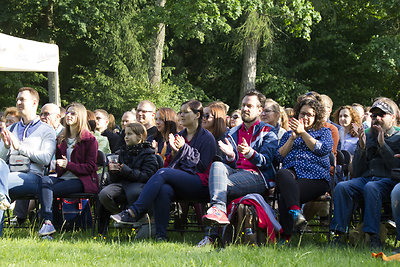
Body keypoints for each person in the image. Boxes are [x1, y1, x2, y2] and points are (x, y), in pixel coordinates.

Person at [110, 100, 217, 241]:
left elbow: (202, 167)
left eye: (186, 112)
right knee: (164, 189)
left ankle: (134, 211)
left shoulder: (207, 138)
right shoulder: (181, 135)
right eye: (180, 112)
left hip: (200, 183)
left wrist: (184, 149)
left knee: (162, 173)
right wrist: (173, 153)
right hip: (181, 181)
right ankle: (160, 236)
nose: (181, 115)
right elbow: (171, 164)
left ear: (197, 115)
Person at [201, 90, 278, 236]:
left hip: (258, 176)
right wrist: (230, 156)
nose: (245, 109)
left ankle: (212, 235)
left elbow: (266, 161)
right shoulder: (233, 132)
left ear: (259, 110)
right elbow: (229, 164)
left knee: (218, 185)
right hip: (236, 174)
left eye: (249, 105)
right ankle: (219, 211)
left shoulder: (268, 131)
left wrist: (250, 153)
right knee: (217, 166)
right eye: (243, 105)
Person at [330, 99, 400, 249]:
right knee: (343, 187)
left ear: (393, 117)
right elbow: (357, 171)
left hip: (388, 181)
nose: (377, 118)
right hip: (366, 179)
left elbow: (396, 166)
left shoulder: (398, 137)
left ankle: (372, 236)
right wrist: (361, 147)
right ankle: (338, 233)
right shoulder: (367, 136)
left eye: (382, 115)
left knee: (372, 187)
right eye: (374, 115)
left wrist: (383, 145)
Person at [275, 97, 333, 240]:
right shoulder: (289, 134)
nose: (305, 117)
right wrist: (292, 138)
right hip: (292, 175)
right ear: (297, 114)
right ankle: (296, 212)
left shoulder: (324, 132)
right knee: (282, 173)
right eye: (302, 114)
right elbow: (278, 157)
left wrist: (303, 133)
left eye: (310, 115)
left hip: (316, 177)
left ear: (316, 117)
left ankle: (285, 236)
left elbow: (322, 149)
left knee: (285, 195)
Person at [38, 102, 99, 237]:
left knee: (49, 191)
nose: (68, 116)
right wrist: (56, 165)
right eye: (67, 113)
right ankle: (49, 222)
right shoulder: (61, 139)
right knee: (45, 181)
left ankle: (48, 222)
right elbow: (60, 167)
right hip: (64, 177)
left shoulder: (90, 140)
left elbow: (90, 168)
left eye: (73, 113)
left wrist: (68, 165)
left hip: (82, 180)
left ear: (81, 117)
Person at [0, 87, 56, 228]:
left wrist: (20, 147)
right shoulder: (11, 129)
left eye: (22, 99)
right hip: (9, 174)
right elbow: (1, 160)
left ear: (34, 103)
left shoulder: (46, 130)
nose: (18, 102)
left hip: (32, 177)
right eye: (17, 99)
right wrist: (6, 146)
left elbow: (46, 159)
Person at [98, 123, 159, 235]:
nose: (126, 137)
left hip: (139, 184)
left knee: (135, 192)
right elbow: (114, 180)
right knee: (104, 194)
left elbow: (148, 176)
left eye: (130, 134)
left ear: (140, 137)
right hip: (121, 184)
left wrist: (127, 171)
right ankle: (121, 215)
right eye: (125, 134)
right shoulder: (121, 152)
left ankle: (134, 218)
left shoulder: (148, 154)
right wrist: (113, 172)